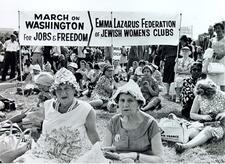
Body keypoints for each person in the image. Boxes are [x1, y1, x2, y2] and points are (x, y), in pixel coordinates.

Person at [15, 68, 100, 163]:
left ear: (74, 89)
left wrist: (100, 154)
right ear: (54, 91)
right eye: (59, 89)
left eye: (67, 88)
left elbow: (93, 135)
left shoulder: (86, 110)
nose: (63, 93)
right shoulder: (47, 105)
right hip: (43, 153)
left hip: (71, 159)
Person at [102, 79, 163, 163]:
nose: (125, 105)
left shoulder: (150, 124)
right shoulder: (114, 122)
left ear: (139, 103)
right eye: (122, 100)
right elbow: (106, 149)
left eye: (130, 100)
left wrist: (134, 155)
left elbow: (160, 159)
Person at [175, 78, 225, 153]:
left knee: (208, 131)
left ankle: (186, 146)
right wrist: (203, 117)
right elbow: (192, 114)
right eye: (204, 97)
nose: (206, 98)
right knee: (193, 133)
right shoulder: (199, 96)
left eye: (209, 97)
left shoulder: (223, 96)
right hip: (204, 123)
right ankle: (204, 139)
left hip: (220, 125)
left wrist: (223, 113)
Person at [207, 22, 225, 91]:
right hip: (213, 60)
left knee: (222, 81)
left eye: (219, 28)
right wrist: (213, 54)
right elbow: (208, 49)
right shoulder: (212, 39)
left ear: (222, 29)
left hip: (223, 61)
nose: (217, 30)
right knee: (212, 81)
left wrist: (222, 54)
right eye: (216, 28)